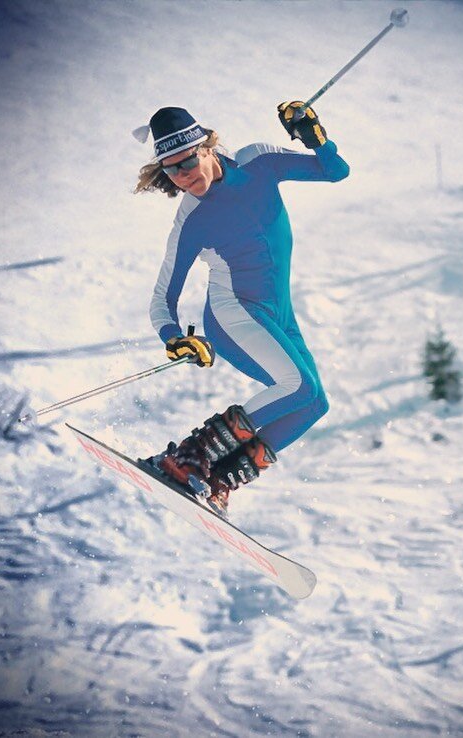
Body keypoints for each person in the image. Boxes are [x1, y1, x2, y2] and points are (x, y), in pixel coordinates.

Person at [133, 102, 349, 517]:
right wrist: (173, 337)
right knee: (299, 387)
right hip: (234, 314)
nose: (183, 176)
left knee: (314, 403)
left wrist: (313, 136)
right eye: (172, 171)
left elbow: (336, 171)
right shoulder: (191, 219)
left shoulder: (258, 161)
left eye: (188, 162)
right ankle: (186, 457)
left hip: (277, 314)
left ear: (207, 146)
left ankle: (216, 479)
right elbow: (163, 297)